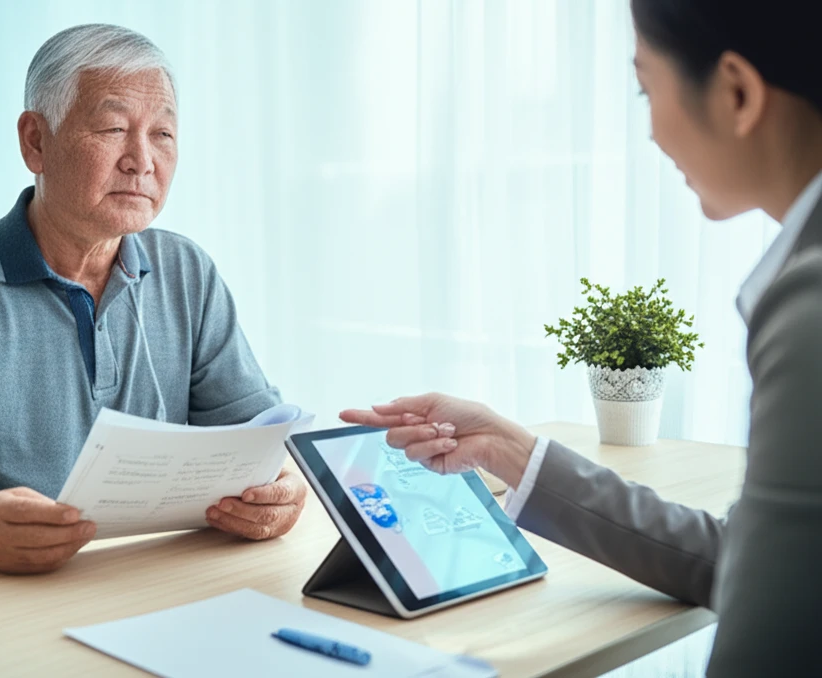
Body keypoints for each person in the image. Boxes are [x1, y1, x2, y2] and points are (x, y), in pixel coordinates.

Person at [341, 1, 822, 674]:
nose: (650, 131)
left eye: (645, 89)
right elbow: (753, 563)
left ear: (737, 93)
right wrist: (511, 450)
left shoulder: (809, 307)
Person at [0, 24, 306, 575]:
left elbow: (262, 438)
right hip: (7, 600)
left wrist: (284, 491)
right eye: (112, 128)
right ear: (35, 141)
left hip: (159, 578)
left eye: (162, 135)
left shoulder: (187, 272)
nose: (141, 160)